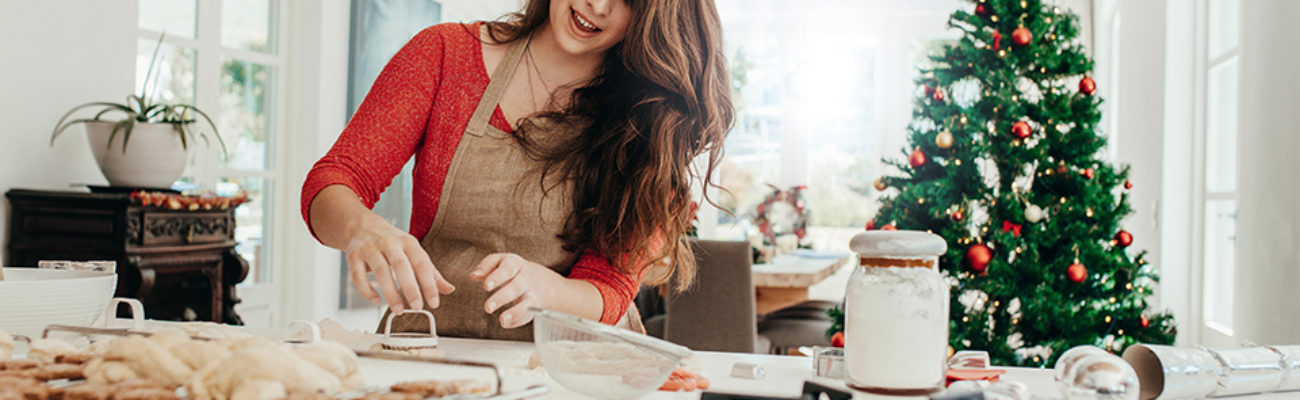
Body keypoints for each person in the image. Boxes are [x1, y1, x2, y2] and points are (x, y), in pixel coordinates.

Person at [301, 0, 732, 340]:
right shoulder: (445, 55)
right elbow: (335, 179)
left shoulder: (647, 123)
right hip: (433, 350)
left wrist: (549, 291)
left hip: (571, 371)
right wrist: (362, 228)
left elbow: (610, 287)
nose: (598, 5)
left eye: (628, 1)